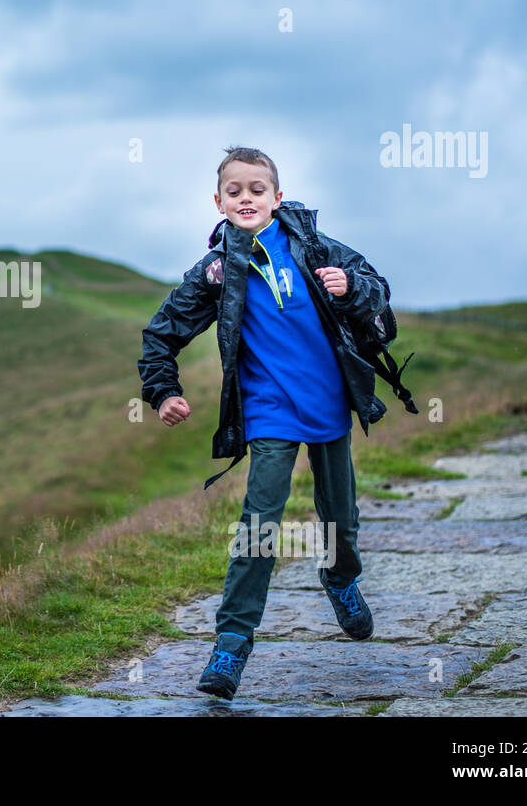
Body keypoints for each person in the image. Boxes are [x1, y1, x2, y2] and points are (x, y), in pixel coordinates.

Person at [138, 146, 393, 700]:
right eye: (235, 191)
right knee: (260, 524)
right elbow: (161, 333)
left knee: (340, 523)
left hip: (329, 403)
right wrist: (163, 391)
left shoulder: (315, 246)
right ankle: (230, 645)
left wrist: (352, 291)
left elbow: (378, 290)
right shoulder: (216, 271)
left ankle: (340, 577)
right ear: (219, 202)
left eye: (258, 189)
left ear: (277, 197)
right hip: (268, 409)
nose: (246, 198)